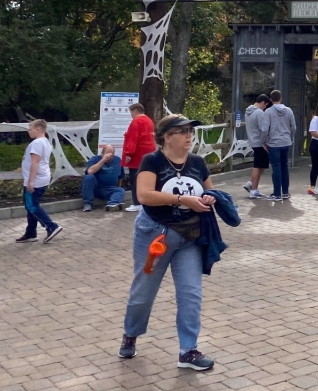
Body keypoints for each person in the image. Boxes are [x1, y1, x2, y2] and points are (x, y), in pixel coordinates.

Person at [119, 114, 218, 370]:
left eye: (190, 131)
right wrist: (182, 200)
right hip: (155, 234)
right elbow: (143, 195)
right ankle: (131, 334)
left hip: (189, 236)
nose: (189, 135)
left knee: (191, 294)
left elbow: (210, 189)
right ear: (166, 137)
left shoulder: (197, 162)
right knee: (144, 291)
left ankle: (188, 351)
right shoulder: (152, 160)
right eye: (182, 131)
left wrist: (209, 199)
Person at [15, 119, 62, 244]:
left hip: (36, 179)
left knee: (31, 205)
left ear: (38, 129)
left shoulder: (36, 143)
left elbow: (35, 162)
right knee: (31, 205)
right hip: (42, 178)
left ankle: (51, 226)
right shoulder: (45, 142)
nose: (28, 131)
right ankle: (31, 233)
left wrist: (30, 181)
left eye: (30, 129)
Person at [122, 103, 156, 212]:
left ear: (135, 111)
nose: (131, 115)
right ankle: (146, 202)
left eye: (131, 112)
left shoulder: (136, 122)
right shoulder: (149, 121)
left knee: (134, 179)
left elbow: (133, 138)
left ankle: (137, 203)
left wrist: (128, 153)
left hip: (137, 155)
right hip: (149, 152)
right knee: (146, 178)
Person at [265, 90, 296, 200]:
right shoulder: (289, 111)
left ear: (270, 99)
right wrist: (290, 138)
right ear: (281, 98)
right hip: (286, 142)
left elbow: (265, 129)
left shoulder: (268, 112)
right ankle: (286, 192)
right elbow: (293, 127)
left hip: (273, 143)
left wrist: (265, 140)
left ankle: (277, 193)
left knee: (276, 168)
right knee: (285, 167)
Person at [242, 94, 270, 199]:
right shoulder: (259, 112)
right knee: (258, 166)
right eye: (265, 106)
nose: (265, 108)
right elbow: (263, 129)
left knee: (262, 164)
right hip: (259, 142)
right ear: (263, 102)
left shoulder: (248, 111)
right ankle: (253, 190)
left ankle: (251, 184)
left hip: (253, 141)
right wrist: (264, 142)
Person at [83, 144, 127, 212]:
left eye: (112, 155)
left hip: (108, 189)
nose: (109, 157)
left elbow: (120, 178)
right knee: (89, 177)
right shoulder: (94, 159)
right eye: (107, 154)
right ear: (102, 153)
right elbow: (90, 171)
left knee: (120, 190)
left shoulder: (118, 160)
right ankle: (87, 203)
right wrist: (103, 160)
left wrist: (117, 190)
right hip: (95, 188)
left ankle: (112, 205)